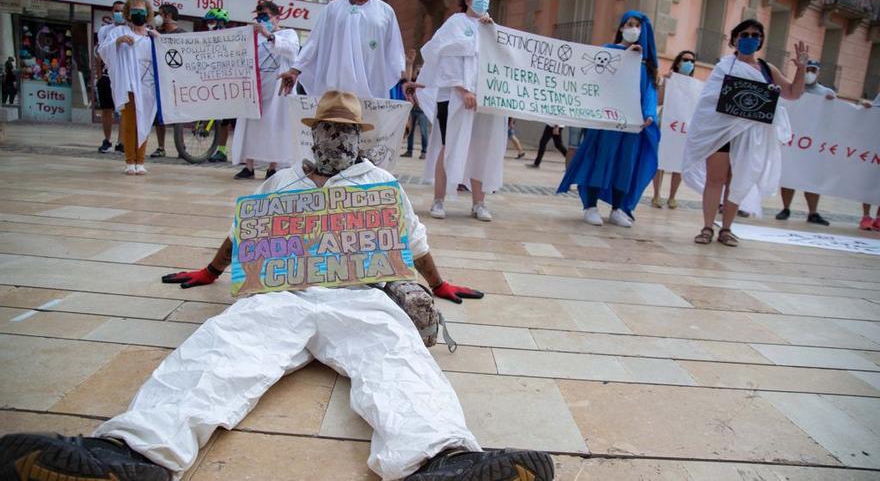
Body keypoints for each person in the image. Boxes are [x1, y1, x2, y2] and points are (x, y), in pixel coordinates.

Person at [0, 91, 556, 481]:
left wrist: (440, 282)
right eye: (327, 128)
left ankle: (442, 460)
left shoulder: (382, 184)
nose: (335, 137)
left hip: (360, 293)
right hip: (279, 295)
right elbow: (242, 234)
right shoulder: (281, 180)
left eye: (345, 130)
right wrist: (210, 272)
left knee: (398, 359)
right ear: (314, 133)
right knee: (219, 350)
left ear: (358, 138)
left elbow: (412, 241)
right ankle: (130, 450)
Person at [683, 19, 807, 247]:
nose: (750, 38)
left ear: (761, 40)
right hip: (720, 133)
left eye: (755, 35)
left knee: (737, 181)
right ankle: (707, 227)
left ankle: (727, 229)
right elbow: (707, 101)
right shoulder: (723, 67)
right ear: (735, 39)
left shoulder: (768, 69)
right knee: (715, 179)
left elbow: (792, 93)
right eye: (745, 34)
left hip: (751, 136)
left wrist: (801, 69)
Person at [557, 11, 660, 228]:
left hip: (632, 124)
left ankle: (618, 208)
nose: (633, 29)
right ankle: (591, 206)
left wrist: (650, 113)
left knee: (626, 165)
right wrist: (625, 58)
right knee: (600, 160)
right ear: (621, 28)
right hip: (606, 121)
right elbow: (596, 79)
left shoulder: (646, 63)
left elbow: (650, 91)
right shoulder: (608, 52)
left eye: (637, 25)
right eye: (629, 24)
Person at [417, 0, 507, 222]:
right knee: (450, 145)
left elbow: (499, 63)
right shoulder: (455, 23)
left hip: (484, 100)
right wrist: (463, 89)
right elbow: (444, 56)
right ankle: (439, 200)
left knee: (481, 149)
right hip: (454, 96)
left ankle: (479, 203)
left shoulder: (490, 27)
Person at [278, 0, 405, 99]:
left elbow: (395, 51)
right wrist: (295, 71)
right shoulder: (332, 9)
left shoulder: (386, 12)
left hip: (371, 90)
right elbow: (314, 42)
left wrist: (404, 80)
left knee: (369, 125)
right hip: (335, 88)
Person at [231, 1, 301, 180]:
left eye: (266, 16)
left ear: (277, 17)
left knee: (276, 126)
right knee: (251, 126)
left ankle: (273, 167)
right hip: (256, 89)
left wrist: (268, 35)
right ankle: (249, 166)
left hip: (278, 90)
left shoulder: (288, 33)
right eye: (260, 16)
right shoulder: (253, 36)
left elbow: (293, 51)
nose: (262, 20)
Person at [98, 0, 159, 176]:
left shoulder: (151, 35)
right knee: (131, 122)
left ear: (147, 13)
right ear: (128, 14)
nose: (139, 14)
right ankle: (129, 160)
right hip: (130, 85)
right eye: (135, 11)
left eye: (142, 11)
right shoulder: (120, 32)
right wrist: (118, 42)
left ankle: (140, 161)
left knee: (145, 122)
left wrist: (159, 39)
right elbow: (103, 51)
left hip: (148, 86)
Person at [774, 60, 833, 226]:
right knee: (789, 175)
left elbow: (835, 117)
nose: (810, 73)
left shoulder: (827, 93)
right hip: (793, 141)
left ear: (818, 72)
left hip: (814, 143)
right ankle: (785, 209)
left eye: (813, 70)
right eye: (807, 69)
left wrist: (832, 103)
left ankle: (813, 212)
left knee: (813, 178)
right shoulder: (792, 89)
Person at [651, 50, 696, 209]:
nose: (689, 63)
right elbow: (659, 100)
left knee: (679, 162)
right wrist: (666, 83)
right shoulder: (667, 79)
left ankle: (672, 197)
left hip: (683, 127)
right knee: (660, 159)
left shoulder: (694, 85)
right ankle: (656, 195)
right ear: (678, 62)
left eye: (692, 61)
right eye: (685, 60)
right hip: (666, 122)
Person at [148, 4, 187, 159]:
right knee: (159, 117)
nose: (157, 17)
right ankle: (161, 146)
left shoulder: (182, 34)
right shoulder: (155, 32)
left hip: (176, 81)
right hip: (159, 80)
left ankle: (181, 146)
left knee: (179, 115)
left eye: (160, 14)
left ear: (168, 16)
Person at [202, 8, 235, 163]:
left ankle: (235, 151)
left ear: (221, 23)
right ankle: (221, 150)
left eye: (212, 22)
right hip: (214, 83)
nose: (209, 25)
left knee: (229, 121)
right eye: (207, 22)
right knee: (223, 120)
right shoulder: (207, 38)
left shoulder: (232, 38)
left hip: (232, 85)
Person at [95, 1, 125, 154]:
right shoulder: (105, 30)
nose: (119, 13)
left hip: (123, 76)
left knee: (124, 110)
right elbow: (101, 52)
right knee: (107, 109)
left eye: (121, 10)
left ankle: (121, 143)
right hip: (107, 75)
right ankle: (107, 140)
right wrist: (99, 75)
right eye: (116, 10)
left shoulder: (130, 30)